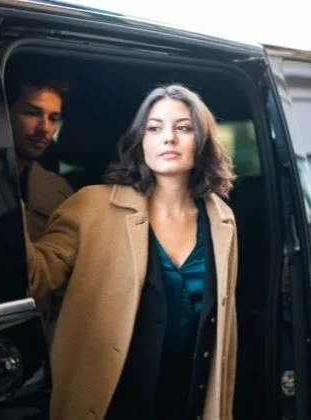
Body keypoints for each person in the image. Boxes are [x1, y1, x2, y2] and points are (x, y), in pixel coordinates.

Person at [23, 84, 237, 420]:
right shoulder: (92, 205)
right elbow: (35, 277)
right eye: (155, 128)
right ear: (141, 142)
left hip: (185, 403)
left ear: (203, 141)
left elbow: (222, 332)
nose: (168, 138)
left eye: (183, 127)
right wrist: (0, 189)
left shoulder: (221, 218)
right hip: (110, 405)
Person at [7, 72, 74, 344]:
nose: (44, 129)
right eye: (32, 113)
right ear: (5, 111)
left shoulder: (61, 193)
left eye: (53, 118)